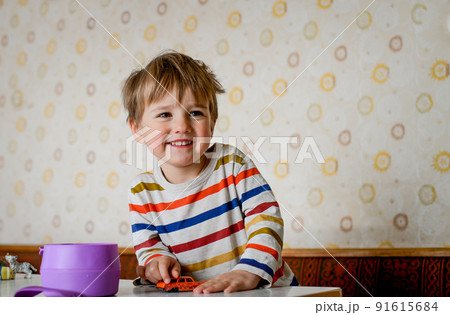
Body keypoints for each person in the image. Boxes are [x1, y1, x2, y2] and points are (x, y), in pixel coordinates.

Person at [122, 51, 298, 293]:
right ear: (138, 130)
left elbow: (265, 220)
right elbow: (150, 248)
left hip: (267, 292)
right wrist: (156, 265)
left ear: (212, 122)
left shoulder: (232, 164)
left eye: (195, 113)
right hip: (202, 298)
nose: (182, 126)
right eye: (165, 115)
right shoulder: (142, 192)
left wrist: (248, 272)